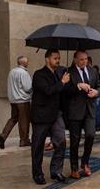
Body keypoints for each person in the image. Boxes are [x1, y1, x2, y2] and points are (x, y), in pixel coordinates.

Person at [30, 49, 70, 184]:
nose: (58, 60)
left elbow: (61, 93)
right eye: (55, 58)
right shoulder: (39, 75)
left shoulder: (59, 74)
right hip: (41, 116)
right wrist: (62, 82)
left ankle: (56, 171)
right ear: (47, 59)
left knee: (61, 142)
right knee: (37, 146)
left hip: (56, 115)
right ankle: (38, 174)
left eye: (59, 58)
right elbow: (48, 91)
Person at [66, 50, 100, 179]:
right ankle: (74, 168)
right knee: (74, 141)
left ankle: (85, 162)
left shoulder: (92, 71)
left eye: (86, 59)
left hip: (90, 110)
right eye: (81, 59)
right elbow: (65, 90)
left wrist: (96, 92)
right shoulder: (68, 72)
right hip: (75, 111)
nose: (84, 62)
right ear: (75, 59)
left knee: (91, 135)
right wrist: (78, 86)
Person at [0, 56, 33, 149]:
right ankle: (24, 140)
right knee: (24, 121)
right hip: (23, 100)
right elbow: (28, 88)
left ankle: (3, 135)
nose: (28, 63)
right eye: (27, 61)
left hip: (13, 100)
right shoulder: (23, 73)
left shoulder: (12, 72)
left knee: (13, 118)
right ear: (23, 63)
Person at [87, 56, 100, 131]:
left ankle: (97, 125)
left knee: (97, 110)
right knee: (95, 110)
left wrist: (96, 91)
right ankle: (96, 125)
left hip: (95, 93)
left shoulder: (94, 71)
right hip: (92, 93)